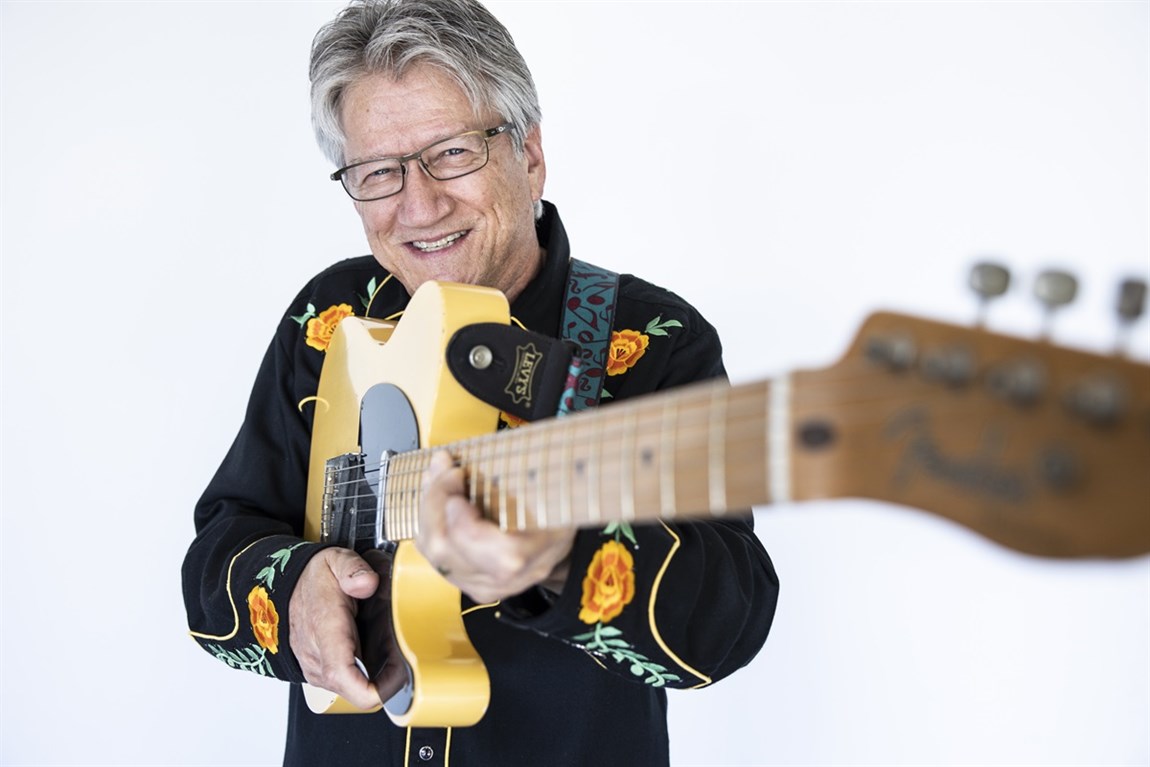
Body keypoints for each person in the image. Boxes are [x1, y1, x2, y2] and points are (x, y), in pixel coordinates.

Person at [181, 1, 779, 764]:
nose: (419, 204)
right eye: (378, 172)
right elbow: (216, 560)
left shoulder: (649, 341)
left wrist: (563, 559)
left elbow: (727, 627)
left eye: (452, 153)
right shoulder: (330, 320)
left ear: (528, 153)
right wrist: (295, 585)